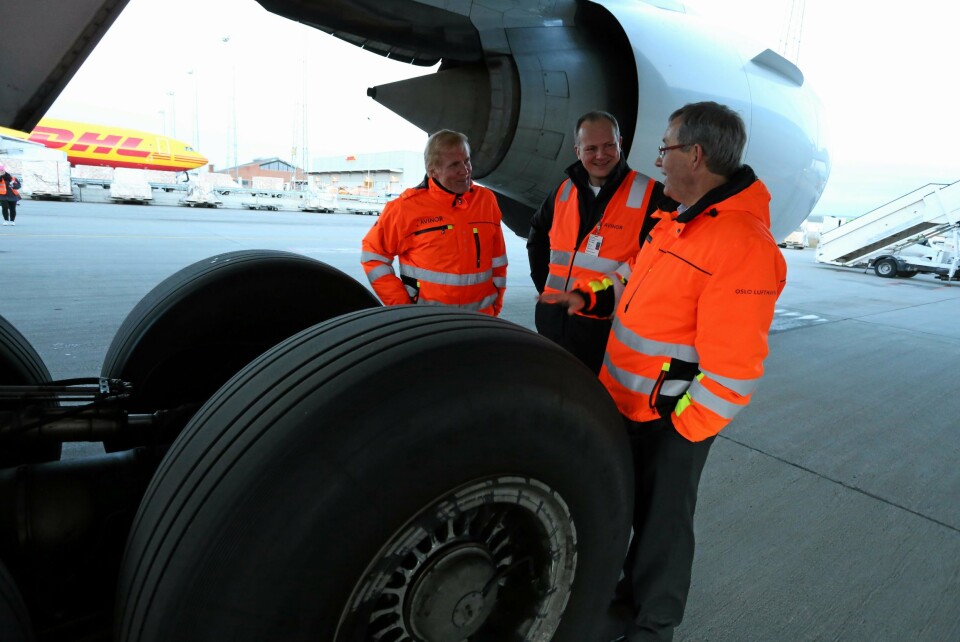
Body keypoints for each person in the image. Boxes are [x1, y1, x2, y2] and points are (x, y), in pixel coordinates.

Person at [540, 102, 787, 641]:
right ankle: (618, 607)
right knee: (623, 515)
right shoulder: (679, 221)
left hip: (669, 418)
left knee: (662, 531)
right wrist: (592, 295)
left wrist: (682, 429)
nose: (658, 160)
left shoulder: (743, 244)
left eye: (665, 149)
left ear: (695, 155)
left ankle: (651, 627)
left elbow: (736, 370)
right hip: (627, 404)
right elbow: (630, 276)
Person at [527, 111, 663, 373]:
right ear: (578, 151)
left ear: (620, 142)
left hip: (608, 336)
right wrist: (546, 287)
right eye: (591, 148)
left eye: (609, 145)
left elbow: (655, 265)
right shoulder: (564, 191)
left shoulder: (650, 195)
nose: (601, 155)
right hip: (555, 327)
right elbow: (537, 234)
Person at [361, 129, 508, 315]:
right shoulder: (405, 208)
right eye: (454, 165)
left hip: (480, 320)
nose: (465, 170)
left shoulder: (486, 200)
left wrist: (496, 304)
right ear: (433, 171)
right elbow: (372, 257)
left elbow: (498, 259)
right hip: (430, 323)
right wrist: (403, 307)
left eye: (467, 160)